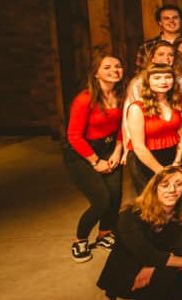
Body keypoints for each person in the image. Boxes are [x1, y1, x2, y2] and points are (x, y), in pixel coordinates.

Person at [96, 167, 182, 300]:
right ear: (154, 188)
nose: (172, 190)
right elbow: (146, 254)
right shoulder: (130, 215)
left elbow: (178, 247)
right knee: (158, 295)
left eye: (179, 184)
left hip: (162, 263)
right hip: (130, 271)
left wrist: (153, 266)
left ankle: (163, 292)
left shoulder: (181, 211)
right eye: (165, 185)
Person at [66, 55, 126, 262]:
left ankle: (105, 234)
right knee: (101, 200)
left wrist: (118, 150)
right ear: (96, 73)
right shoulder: (85, 99)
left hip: (110, 149)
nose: (114, 70)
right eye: (107, 67)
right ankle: (80, 239)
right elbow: (73, 135)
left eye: (117, 66)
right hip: (84, 153)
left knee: (116, 196)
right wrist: (94, 161)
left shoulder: (121, 95)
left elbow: (123, 127)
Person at [127, 64, 182, 193]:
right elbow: (138, 146)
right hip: (145, 161)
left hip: (173, 157)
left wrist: (177, 162)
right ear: (148, 81)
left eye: (168, 77)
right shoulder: (137, 108)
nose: (164, 81)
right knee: (152, 202)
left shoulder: (177, 102)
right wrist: (160, 171)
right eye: (157, 77)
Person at [136, 4, 182, 70]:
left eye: (175, 18)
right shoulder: (147, 46)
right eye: (166, 18)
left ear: (180, 20)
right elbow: (140, 72)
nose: (171, 21)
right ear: (160, 22)